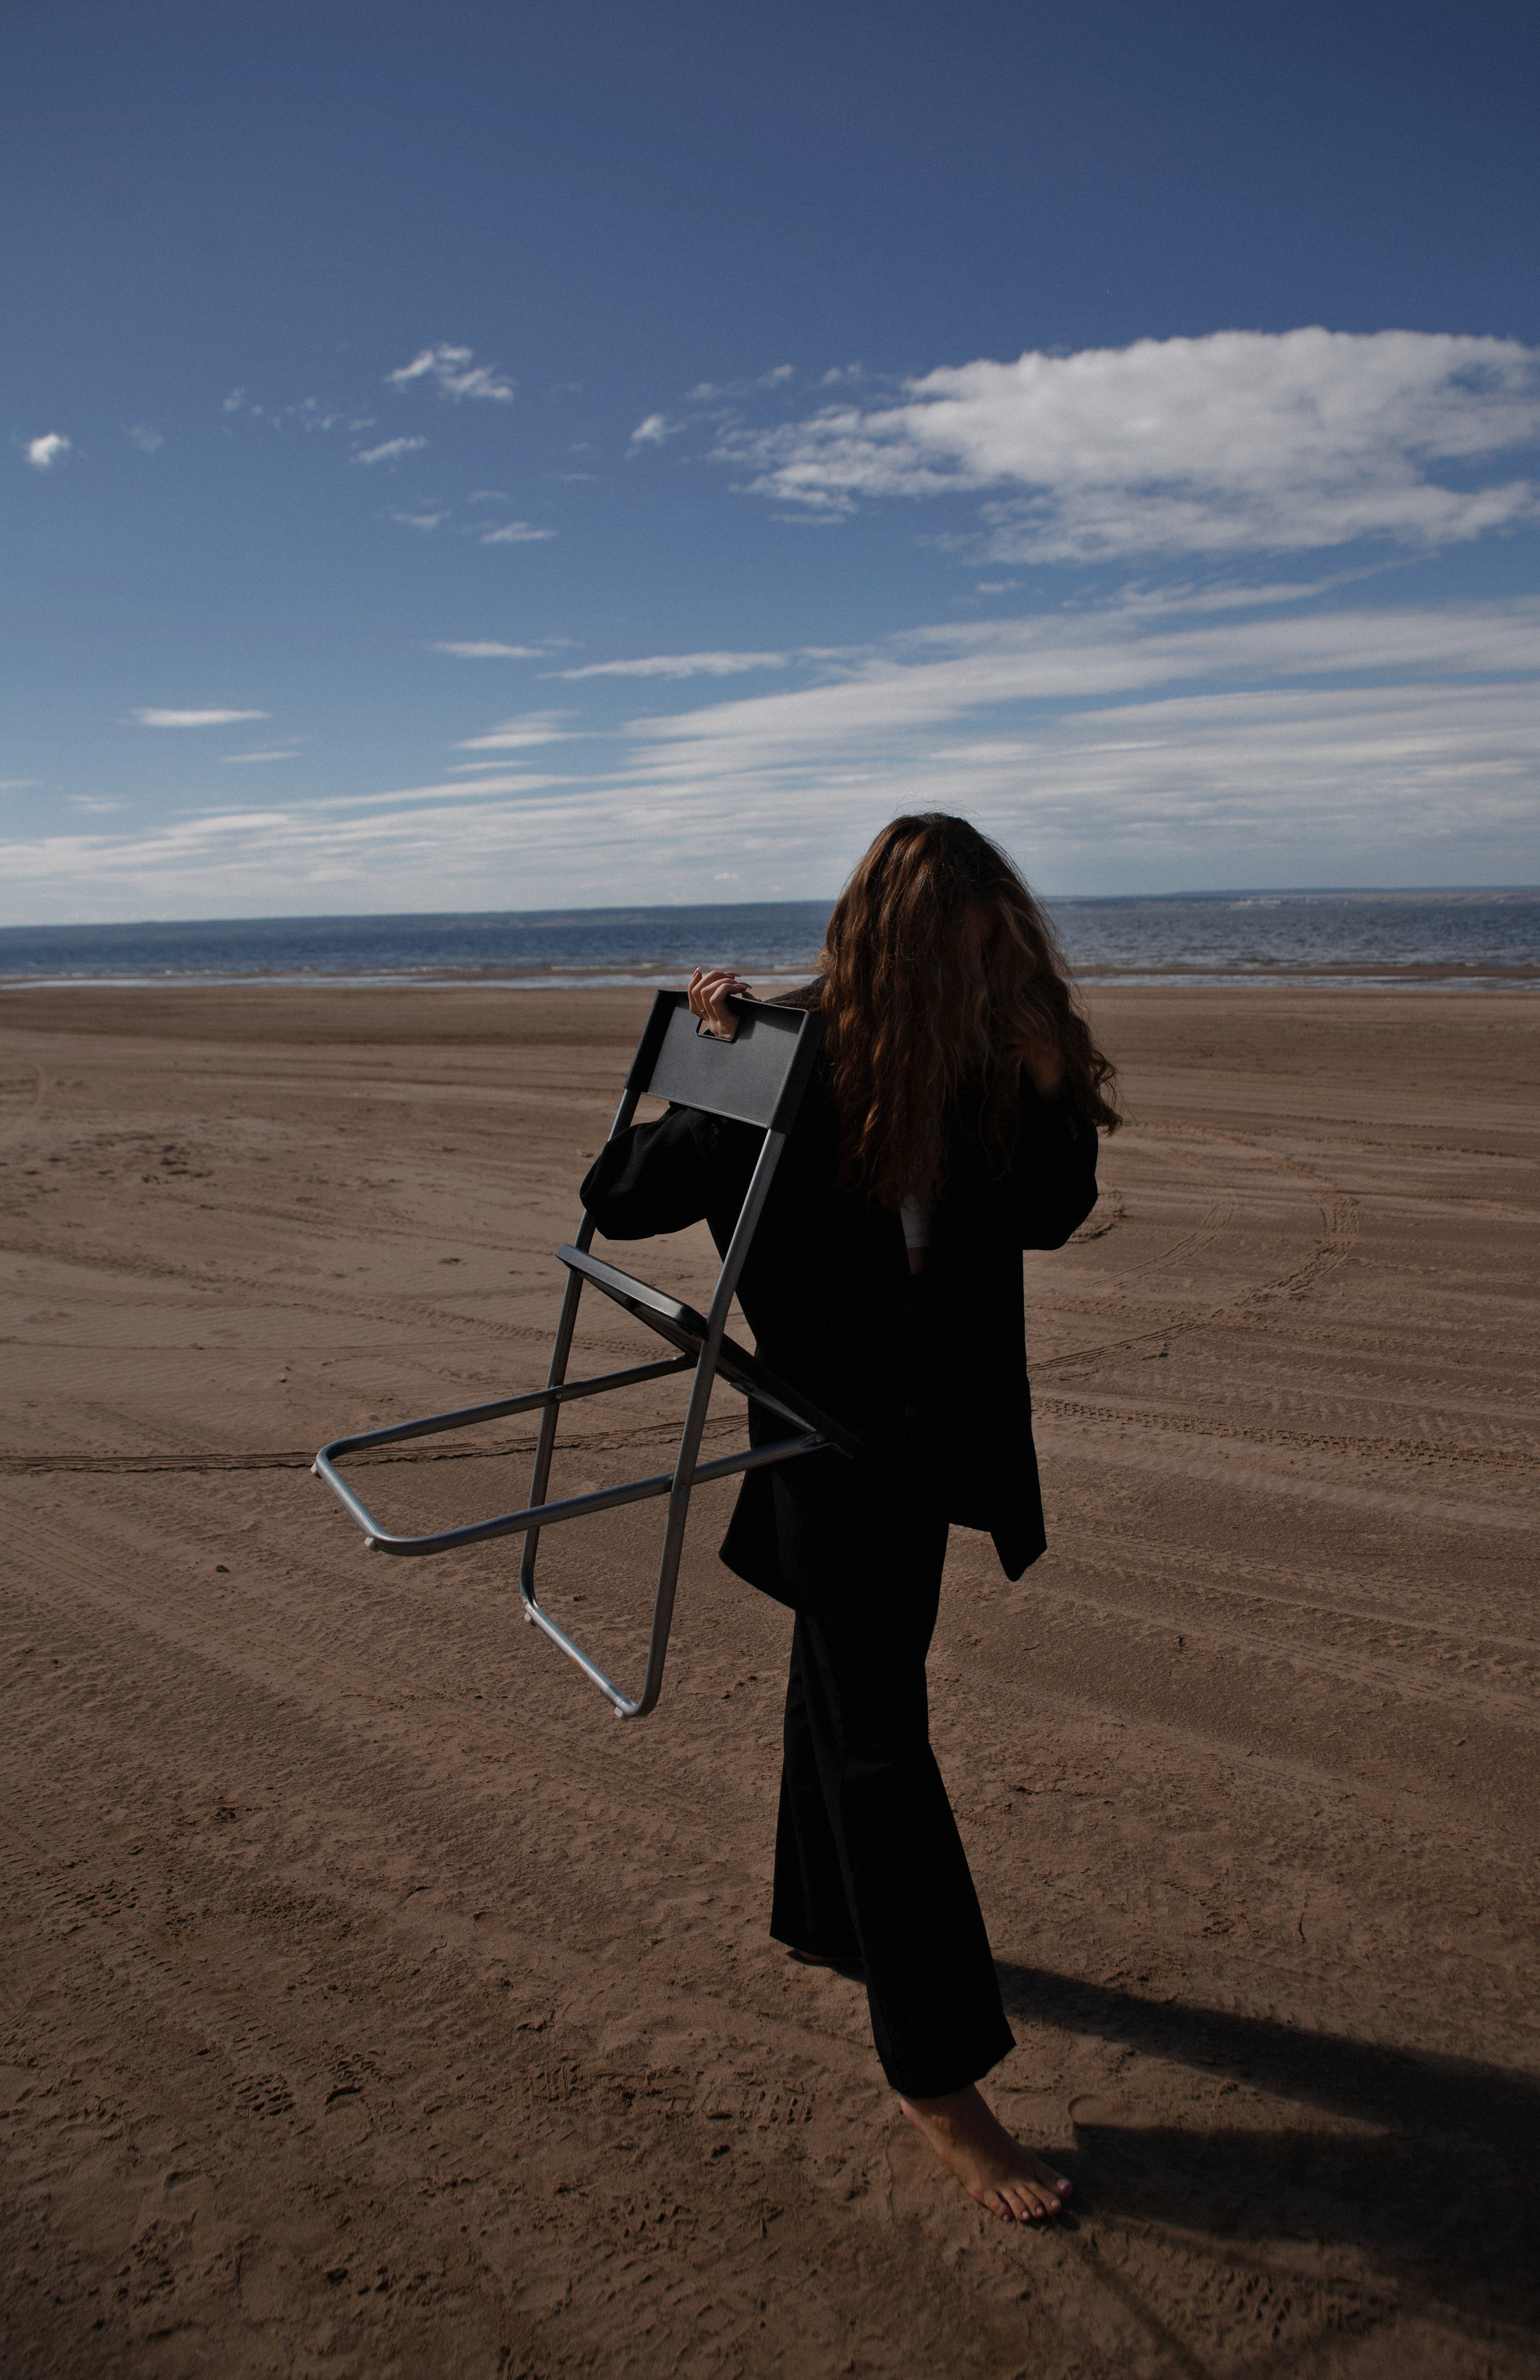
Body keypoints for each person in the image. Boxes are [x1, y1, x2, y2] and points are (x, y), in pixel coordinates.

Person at [580, 813, 1119, 2223]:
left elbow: (1049, 1213)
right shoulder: (788, 1054)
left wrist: (1047, 1081)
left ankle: (824, 1919)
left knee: (841, 1690)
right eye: (960, 955)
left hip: (929, 1445)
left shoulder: (983, 1063)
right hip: (823, 1448)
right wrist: (715, 1072)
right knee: (881, 1744)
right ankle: (937, 2081)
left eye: (994, 953)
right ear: (894, 945)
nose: (981, 978)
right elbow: (615, 1204)